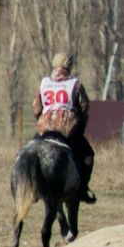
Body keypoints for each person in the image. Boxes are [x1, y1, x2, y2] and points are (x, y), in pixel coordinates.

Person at [32, 52, 97, 204]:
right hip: (66, 130)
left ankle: (32, 186)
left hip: (44, 129)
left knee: (29, 151)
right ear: (68, 66)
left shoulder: (44, 83)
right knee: (88, 155)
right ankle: (82, 189)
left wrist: (42, 120)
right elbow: (85, 107)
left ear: (54, 65)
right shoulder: (75, 84)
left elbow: (36, 107)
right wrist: (81, 127)